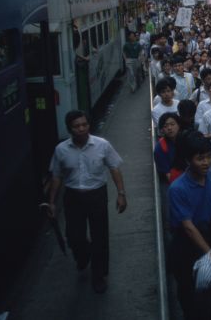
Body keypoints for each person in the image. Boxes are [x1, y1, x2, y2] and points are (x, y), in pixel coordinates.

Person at [47, 110, 127, 294]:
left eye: (84, 125)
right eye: (77, 126)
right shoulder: (61, 150)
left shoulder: (102, 145)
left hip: (96, 195)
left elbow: (114, 168)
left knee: (100, 237)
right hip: (73, 196)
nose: (81, 129)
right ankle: (83, 254)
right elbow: (57, 176)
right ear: (69, 129)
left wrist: (121, 193)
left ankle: (98, 276)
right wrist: (51, 202)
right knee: (75, 236)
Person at [169, 134, 211, 317]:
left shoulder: (209, 176)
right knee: (188, 290)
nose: (206, 162)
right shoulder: (178, 189)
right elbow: (188, 228)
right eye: (200, 158)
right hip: (186, 246)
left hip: (208, 235)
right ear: (188, 160)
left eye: (209, 156)